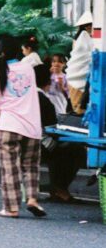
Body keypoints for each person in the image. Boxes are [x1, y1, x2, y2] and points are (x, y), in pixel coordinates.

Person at [0, 36, 46, 219]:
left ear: (1, 52)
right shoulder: (28, 68)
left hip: (9, 125)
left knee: (9, 168)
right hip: (32, 125)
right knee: (31, 165)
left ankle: (11, 208)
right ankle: (33, 199)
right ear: (20, 51)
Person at [34, 64, 85, 203]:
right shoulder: (43, 100)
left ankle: (56, 187)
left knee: (60, 148)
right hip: (40, 143)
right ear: (48, 81)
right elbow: (53, 128)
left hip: (27, 141)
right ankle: (60, 188)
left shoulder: (30, 96)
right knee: (76, 150)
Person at [65, 11, 92, 115]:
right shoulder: (81, 39)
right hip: (79, 76)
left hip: (82, 75)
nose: (89, 27)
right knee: (81, 107)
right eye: (87, 25)